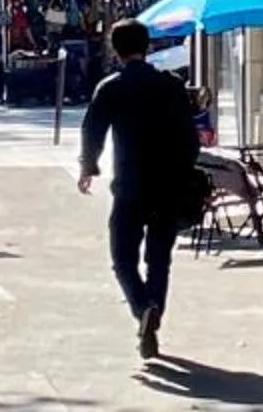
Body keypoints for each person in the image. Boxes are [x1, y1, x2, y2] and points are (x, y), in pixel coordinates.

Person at [76, 18, 201, 360]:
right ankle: (154, 313)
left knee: (122, 258)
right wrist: (185, 169)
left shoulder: (112, 87)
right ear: (147, 47)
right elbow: (190, 138)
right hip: (169, 186)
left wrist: (88, 167)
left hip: (130, 186)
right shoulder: (172, 85)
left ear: (116, 50)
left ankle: (143, 307)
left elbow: (93, 129)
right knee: (159, 259)